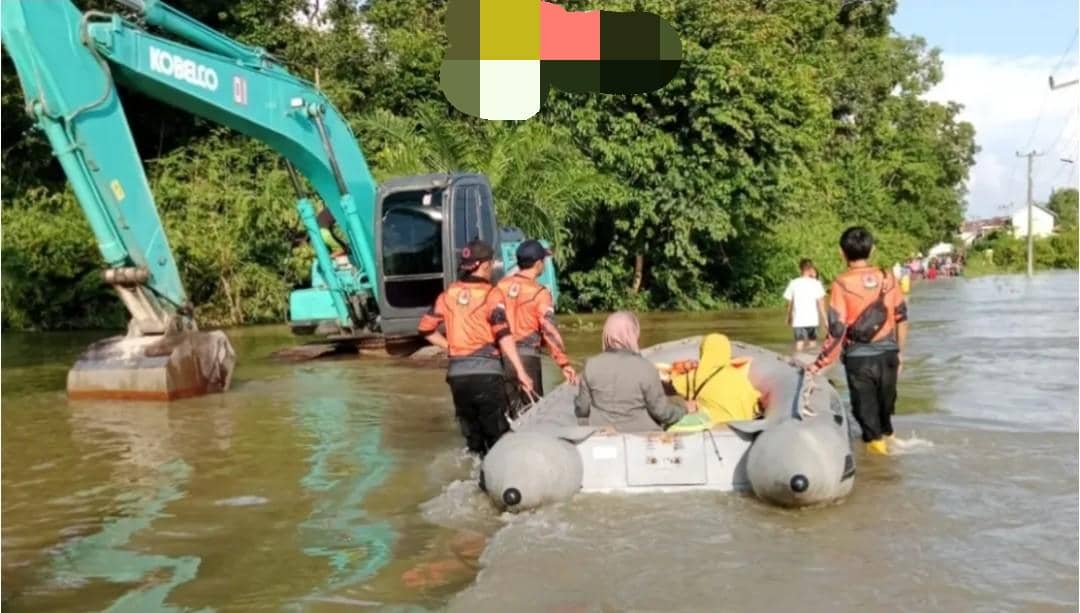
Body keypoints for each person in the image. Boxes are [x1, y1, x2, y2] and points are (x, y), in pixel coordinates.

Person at [418, 240, 533, 457]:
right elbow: (503, 333)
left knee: (474, 440)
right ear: (485, 265)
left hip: (457, 376)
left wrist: (450, 346)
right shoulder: (492, 295)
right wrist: (521, 372)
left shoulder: (448, 295)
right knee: (498, 436)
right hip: (486, 375)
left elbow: (425, 328)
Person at [809, 227, 909, 456]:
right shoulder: (888, 279)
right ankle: (890, 446)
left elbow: (837, 331)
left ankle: (880, 473)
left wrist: (819, 365)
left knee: (867, 418)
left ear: (841, 253)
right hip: (889, 356)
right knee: (885, 414)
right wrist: (900, 352)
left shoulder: (841, 284)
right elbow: (902, 318)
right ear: (872, 249)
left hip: (859, 360)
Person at [496, 240, 577, 415]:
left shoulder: (499, 287)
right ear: (539, 264)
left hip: (501, 358)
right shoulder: (540, 293)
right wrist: (564, 363)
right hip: (527, 358)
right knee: (531, 415)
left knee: (508, 415)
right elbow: (549, 331)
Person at [574, 311, 689, 432]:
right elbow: (662, 413)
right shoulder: (646, 367)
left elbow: (582, 409)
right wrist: (683, 409)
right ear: (634, 334)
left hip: (601, 434)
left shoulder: (591, 365)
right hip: (642, 435)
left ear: (606, 334)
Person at [668, 333, 761, 426]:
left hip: (717, 427)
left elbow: (671, 386)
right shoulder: (739, 376)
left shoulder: (694, 376)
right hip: (745, 427)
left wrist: (676, 369)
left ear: (703, 351)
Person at [783, 258, 827, 353]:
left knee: (799, 343)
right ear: (811, 268)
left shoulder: (793, 283)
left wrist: (788, 317)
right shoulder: (816, 283)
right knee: (813, 344)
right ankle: (812, 364)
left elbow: (789, 303)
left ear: (800, 269)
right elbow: (821, 304)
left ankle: (798, 363)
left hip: (798, 320)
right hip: (812, 320)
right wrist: (825, 321)